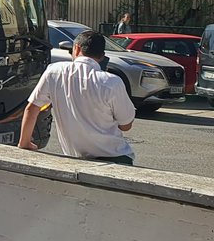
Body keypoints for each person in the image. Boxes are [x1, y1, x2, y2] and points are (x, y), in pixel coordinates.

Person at [18, 30, 136, 164]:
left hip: (75, 159)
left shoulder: (54, 72)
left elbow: (32, 108)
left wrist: (25, 142)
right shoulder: (112, 82)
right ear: (102, 56)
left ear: (76, 48)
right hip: (115, 158)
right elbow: (126, 125)